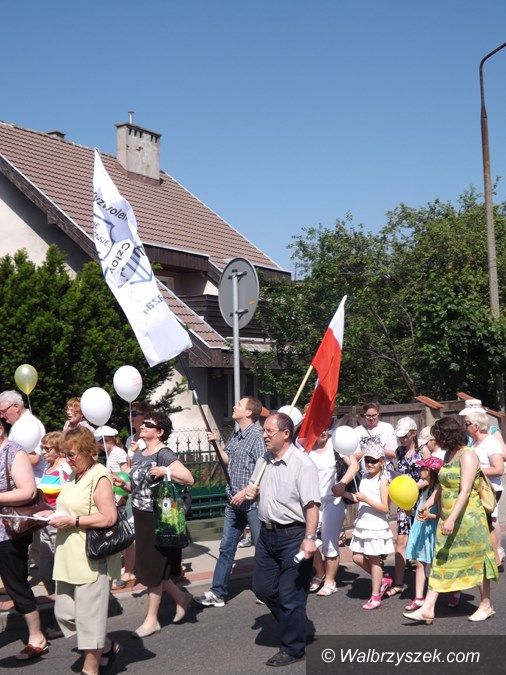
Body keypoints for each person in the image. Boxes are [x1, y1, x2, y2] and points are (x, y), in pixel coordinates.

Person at [404, 416, 498, 624]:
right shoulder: (448, 454)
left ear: (447, 436)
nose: (436, 441)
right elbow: (441, 485)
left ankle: (485, 605)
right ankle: (428, 608)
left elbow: (465, 491)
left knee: (477, 562)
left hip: (468, 521)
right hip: (448, 518)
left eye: (438, 437)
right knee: (441, 559)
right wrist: (428, 503)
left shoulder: (467, 454)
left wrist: (451, 519)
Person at [44, 426, 121, 675]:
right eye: (64, 454)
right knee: (64, 613)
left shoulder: (99, 475)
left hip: (90, 558)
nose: (67, 459)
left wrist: (74, 521)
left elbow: (109, 517)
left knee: (89, 620)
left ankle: (91, 669)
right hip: (68, 557)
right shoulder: (73, 475)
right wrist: (51, 514)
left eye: (72, 454)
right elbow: (69, 506)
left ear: (88, 451)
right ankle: (105, 646)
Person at [245, 412, 320, 667]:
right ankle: (296, 623)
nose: (264, 435)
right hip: (267, 535)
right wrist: (253, 493)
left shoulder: (302, 464)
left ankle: (293, 648)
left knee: (290, 595)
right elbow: (259, 493)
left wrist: (309, 538)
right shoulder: (264, 460)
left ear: (286, 434)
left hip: (293, 536)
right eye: (264, 431)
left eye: (269, 431)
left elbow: (312, 506)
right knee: (263, 588)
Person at [114, 410, 194, 636]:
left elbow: (189, 478)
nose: (142, 426)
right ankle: (181, 597)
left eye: (148, 424)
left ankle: (151, 620)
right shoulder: (140, 454)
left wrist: (165, 470)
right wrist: (124, 484)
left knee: (153, 568)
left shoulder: (164, 453)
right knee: (151, 566)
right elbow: (138, 486)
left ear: (159, 432)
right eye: (144, 424)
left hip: (156, 517)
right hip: (140, 514)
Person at [194, 397, 266, 608]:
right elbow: (227, 459)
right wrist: (216, 443)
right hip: (233, 502)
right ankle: (218, 592)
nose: (234, 406)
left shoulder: (257, 437)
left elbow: (263, 470)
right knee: (226, 547)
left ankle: (265, 589)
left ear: (249, 412)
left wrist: (246, 492)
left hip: (252, 504)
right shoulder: (237, 434)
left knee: (262, 548)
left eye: (239, 405)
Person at [0, 417, 48, 661]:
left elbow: (27, 491)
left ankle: (37, 637)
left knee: (15, 582)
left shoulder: (13, 452)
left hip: (7, 531)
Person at [307, 427, 359, 596]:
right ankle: (320, 572)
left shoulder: (336, 443)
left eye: (325, 427)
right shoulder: (305, 446)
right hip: (313, 502)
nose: (323, 431)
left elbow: (354, 466)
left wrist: (342, 483)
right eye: (318, 427)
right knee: (308, 539)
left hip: (333, 501)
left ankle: (330, 581)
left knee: (329, 541)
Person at [346, 442, 394, 609]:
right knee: (357, 557)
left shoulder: (383, 480)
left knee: (374, 561)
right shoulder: (364, 477)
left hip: (376, 525)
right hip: (363, 523)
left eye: (374, 461)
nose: (370, 464)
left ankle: (375, 596)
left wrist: (366, 499)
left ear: (382, 461)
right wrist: (343, 492)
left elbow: (385, 508)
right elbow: (358, 498)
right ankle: (383, 580)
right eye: (367, 460)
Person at [386, 416, 427, 598]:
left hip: (421, 501)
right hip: (404, 503)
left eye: (405, 436)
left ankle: (427, 582)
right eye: (400, 436)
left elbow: (428, 478)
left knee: (422, 542)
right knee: (401, 541)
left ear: (413, 433)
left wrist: (413, 487)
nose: (402, 439)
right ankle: (399, 582)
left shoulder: (423, 451)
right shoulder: (399, 451)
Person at [403, 456, 443, 611]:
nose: (420, 470)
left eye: (423, 468)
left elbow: (443, 515)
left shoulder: (439, 490)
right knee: (420, 562)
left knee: (437, 565)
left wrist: (430, 516)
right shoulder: (424, 489)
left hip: (434, 530)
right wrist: (411, 512)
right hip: (421, 529)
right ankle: (419, 597)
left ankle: (454, 591)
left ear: (431, 472)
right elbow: (420, 511)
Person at [465, 411, 504, 566]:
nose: (465, 427)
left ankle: (495, 560)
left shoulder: (490, 442)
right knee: (482, 524)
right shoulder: (474, 443)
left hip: (490, 489)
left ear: (476, 426)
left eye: (467, 424)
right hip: (479, 488)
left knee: (487, 523)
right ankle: (488, 559)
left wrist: (475, 471)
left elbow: (499, 469)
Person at [38, 431, 70, 595]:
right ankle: (54, 598)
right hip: (45, 524)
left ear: (58, 449)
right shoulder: (47, 467)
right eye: (42, 448)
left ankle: (63, 599)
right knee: (45, 568)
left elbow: (71, 495)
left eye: (47, 448)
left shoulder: (65, 468)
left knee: (60, 567)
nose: (43, 452)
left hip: (59, 524)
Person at [0, 390, 46, 480]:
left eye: (3, 411)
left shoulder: (28, 424)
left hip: (32, 481)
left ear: (16, 407)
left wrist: (3, 460)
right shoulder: (20, 424)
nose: (1, 416)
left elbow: (34, 459)